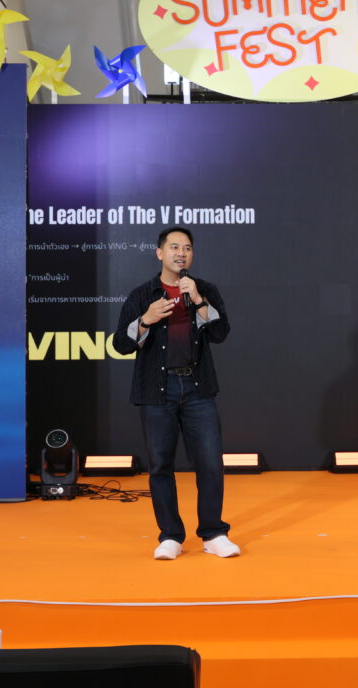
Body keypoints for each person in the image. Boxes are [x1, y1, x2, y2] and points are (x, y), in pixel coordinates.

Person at [113, 226, 239, 560]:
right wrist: (145, 320)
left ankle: (213, 533)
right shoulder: (142, 294)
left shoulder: (204, 290)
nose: (181, 253)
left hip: (197, 387)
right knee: (160, 466)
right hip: (157, 391)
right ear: (160, 253)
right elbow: (120, 344)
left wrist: (198, 301)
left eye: (187, 248)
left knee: (210, 463)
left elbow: (221, 333)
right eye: (174, 247)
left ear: (192, 255)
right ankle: (170, 536)